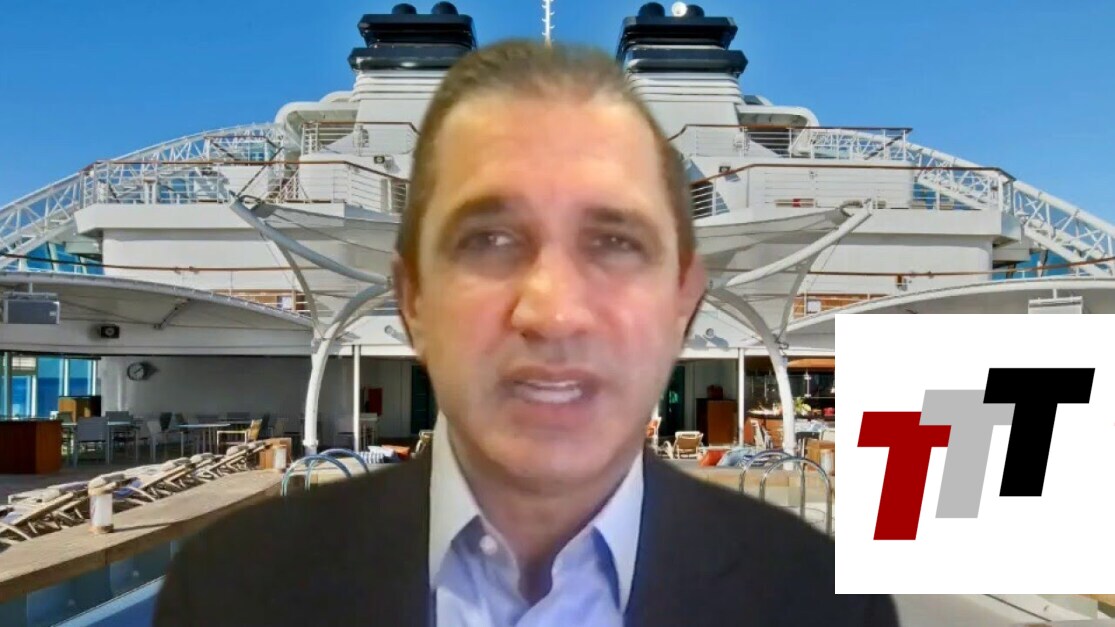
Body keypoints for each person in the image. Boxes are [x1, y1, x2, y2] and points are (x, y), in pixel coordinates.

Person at [154, 40, 898, 626]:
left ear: (683, 300)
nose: (553, 312)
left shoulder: (821, 600)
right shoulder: (227, 592)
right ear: (412, 299)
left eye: (615, 243)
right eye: (488, 240)